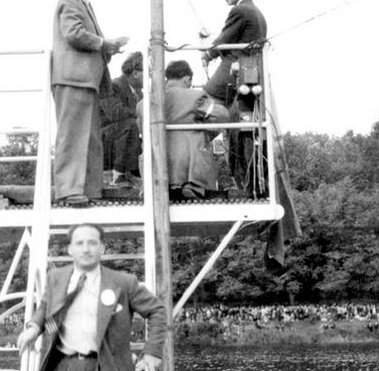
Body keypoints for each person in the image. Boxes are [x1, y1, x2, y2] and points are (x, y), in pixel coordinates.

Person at [16, 223, 167, 371]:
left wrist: (152, 352)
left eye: (92, 243)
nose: (86, 249)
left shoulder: (124, 282)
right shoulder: (55, 277)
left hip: (106, 365)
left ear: (102, 248)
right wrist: (34, 328)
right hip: (62, 364)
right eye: (79, 243)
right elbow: (46, 306)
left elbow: (157, 311)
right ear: (70, 249)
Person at [52, 0, 129, 207]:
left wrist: (108, 47)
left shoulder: (82, 3)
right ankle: (68, 189)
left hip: (86, 80)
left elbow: (83, 37)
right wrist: (104, 43)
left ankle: (89, 187)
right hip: (74, 79)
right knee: (73, 135)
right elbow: (73, 33)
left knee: (89, 136)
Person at [138, 60, 229, 199]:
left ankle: (153, 188)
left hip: (155, 166)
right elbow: (222, 116)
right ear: (187, 79)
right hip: (186, 167)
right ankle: (195, 185)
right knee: (203, 135)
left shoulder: (142, 104)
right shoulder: (194, 97)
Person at [202, 0, 267, 106]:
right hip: (251, 72)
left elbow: (223, 40)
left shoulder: (240, 10)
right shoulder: (257, 12)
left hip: (232, 71)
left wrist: (207, 55)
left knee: (203, 102)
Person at [101, 51, 143, 188]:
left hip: (121, 135)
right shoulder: (114, 86)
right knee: (131, 125)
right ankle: (120, 174)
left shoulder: (138, 93)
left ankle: (133, 172)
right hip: (105, 138)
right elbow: (115, 113)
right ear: (136, 72)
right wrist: (140, 112)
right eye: (147, 72)